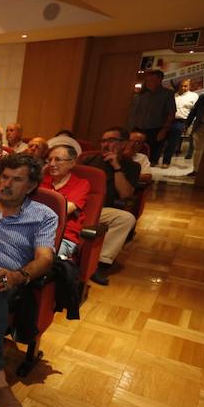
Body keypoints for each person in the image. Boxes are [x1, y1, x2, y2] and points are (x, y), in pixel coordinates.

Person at [0, 153, 58, 407]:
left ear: (31, 186)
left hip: (8, 279)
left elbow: (45, 259)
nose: (6, 184)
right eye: (4, 177)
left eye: (16, 179)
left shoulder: (43, 216)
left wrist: (18, 276)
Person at [82, 127, 140, 285]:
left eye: (111, 141)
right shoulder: (88, 160)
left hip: (102, 210)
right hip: (80, 206)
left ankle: (100, 264)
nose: (105, 145)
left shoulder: (131, 166)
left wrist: (116, 167)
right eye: (103, 141)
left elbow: (126, 194)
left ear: (124, 144)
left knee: (127, 218)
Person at [40, 145, 90, 258]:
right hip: (34, 233)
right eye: (49, 160)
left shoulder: (81, 184)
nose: (52, 164)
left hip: (63, 238)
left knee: (41, 259)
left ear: (72, 163)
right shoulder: (42, 181)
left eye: (58, 159)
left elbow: (63, 211)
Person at [127, 69, 175, 167]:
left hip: (155, 129)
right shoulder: (142, 95)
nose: (149, 82)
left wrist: (164, 130)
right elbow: (135, 112)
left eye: (152, 80)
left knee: (151, 158)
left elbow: (171, 113)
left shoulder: (167, 94)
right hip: (138, 128)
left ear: (159, 80)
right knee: (135, 154)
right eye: (147, 80)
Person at [162, 79, 199, 168]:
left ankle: (166, 162)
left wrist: (189, 124)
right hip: (168, 120)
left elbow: (196, 110)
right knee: (162, 140)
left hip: (182, 121)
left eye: (185, 86)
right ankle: (154, 159)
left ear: (189, 86)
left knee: (172, 142)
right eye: (181, 86)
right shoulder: (173, 95)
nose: (183, 88)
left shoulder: (194, 96)